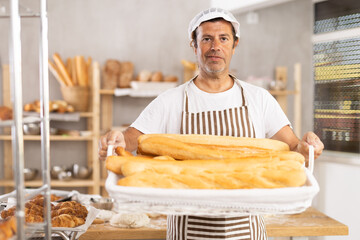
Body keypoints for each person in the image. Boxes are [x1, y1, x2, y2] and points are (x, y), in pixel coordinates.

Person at [99, 7, 324, 240]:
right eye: (206, 39)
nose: (215, 46)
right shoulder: (171, 100)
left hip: (246, 232)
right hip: (187, 232)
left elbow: (295, 151)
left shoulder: (259, 98)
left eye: (223, 38)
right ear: (194, 46)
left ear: (234, 45)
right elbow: (130, 139)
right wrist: (116, 139)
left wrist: (308, 145)